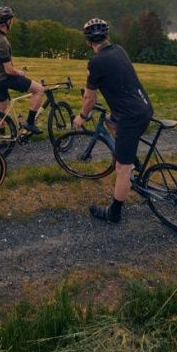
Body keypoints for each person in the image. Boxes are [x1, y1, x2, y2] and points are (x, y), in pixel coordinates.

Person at [73, 18, 153, 224]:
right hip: (143, 107)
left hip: (130, 117)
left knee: (121, 169)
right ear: (107, 37)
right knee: (111, 120)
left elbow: (90, 98)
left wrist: (82, 117)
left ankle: (114, 212)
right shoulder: (119, 50)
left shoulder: (95, 63)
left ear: (88, 42)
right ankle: (133, 159)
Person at [0, 5, 45, 133]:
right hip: (3, 77)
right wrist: (20, 73)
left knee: (2, 110)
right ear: (7, 21)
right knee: (39, 89)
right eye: (11, 20)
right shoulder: (1, 41)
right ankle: (30, 122)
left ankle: (1, 137)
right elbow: (9, 70)